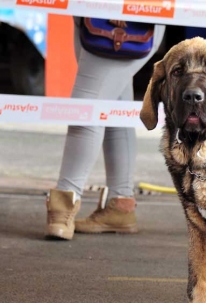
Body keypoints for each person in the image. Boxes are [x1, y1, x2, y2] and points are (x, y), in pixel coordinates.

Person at [45, 19, 165, 240]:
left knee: (86, 108)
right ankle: (121, 204)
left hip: (118, 18)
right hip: (96, 15)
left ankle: (63, 207)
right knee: (112, 103)